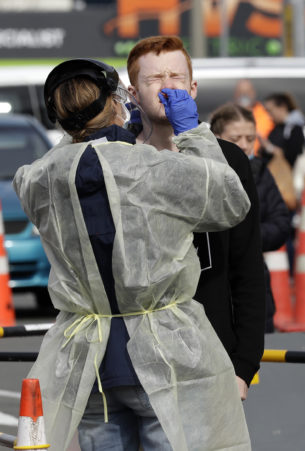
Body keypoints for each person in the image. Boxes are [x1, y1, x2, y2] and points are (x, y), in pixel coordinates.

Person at [13, 58, 251, 450]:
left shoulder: (36, 180)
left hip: (89, 365)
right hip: (166, 358)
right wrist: (192, 131)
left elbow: (70, 156)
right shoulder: (153, 167)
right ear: (116, 101)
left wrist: (85, 127)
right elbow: (229, 201)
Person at [126, 36, 266, 401]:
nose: (167, 87)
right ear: (132, 93)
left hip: (211, 356)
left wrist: (244, 366)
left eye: (176, 77)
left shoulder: (229, 159)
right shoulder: (117, 158)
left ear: (193, 88)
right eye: (154, 79)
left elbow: (247, 266)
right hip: (133, 362)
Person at [210, 103, 291, 333]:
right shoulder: (202, 173)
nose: (244, 145)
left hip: (254, 284)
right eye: (235, 138)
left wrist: (244, 239)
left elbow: (281, 223)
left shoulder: (259, 171)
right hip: (213, 285)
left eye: (250, 138)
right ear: (215, 137)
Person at [259, 92, 305, 169]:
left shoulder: (295, 129)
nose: (268, 115)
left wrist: (268, 147)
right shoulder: (277, 127)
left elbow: (291, 155)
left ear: (282, 107)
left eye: (270, 110)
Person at [233, 78, 275, 153]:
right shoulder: (228, 115)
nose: (244, 95)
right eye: (241, 92)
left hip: (259, 160)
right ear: (236, 94)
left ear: (253, 93)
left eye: (247, 92)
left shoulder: (267, 115)